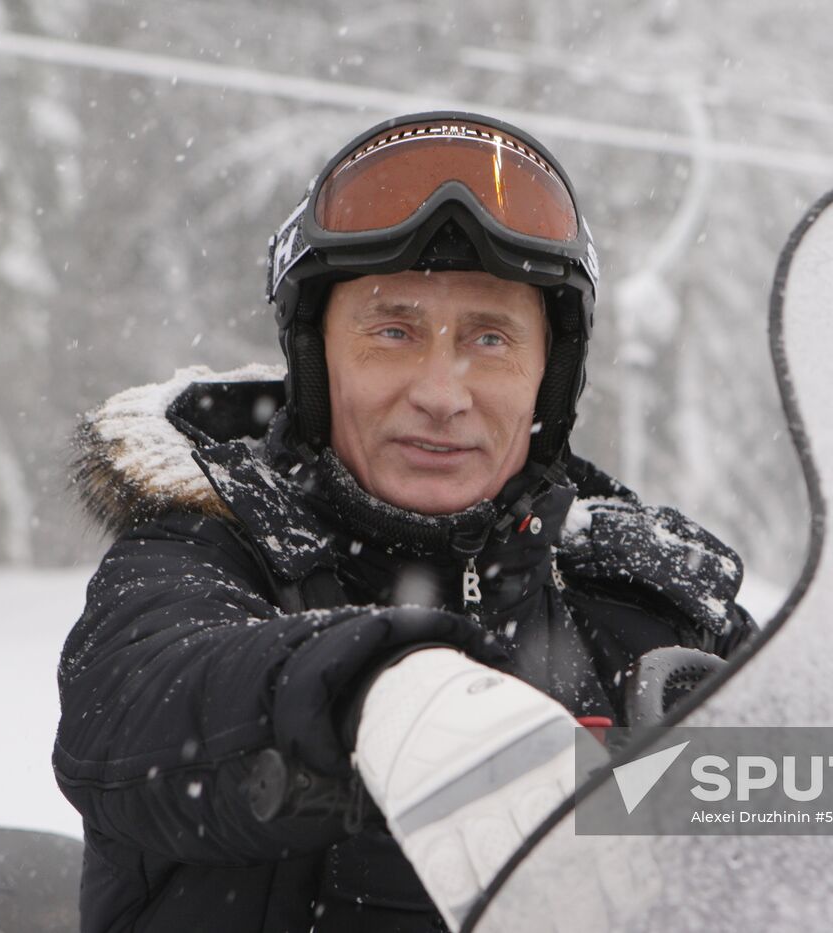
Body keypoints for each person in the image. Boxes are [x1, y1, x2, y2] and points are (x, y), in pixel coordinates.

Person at [55, 111, 757, 933]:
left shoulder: (644, 599)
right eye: (393, 331)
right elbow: (134, 702)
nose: (441, 392)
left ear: (547, 376)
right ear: (316, 359)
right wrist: (378, 695)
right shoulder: (207, 545)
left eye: (489, 337)